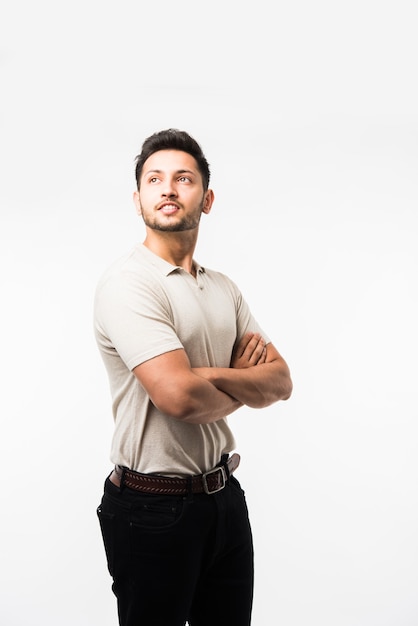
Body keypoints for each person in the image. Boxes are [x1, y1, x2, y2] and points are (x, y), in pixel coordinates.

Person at [94, 128, 292, 626]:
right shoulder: (129, 284)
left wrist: (204, 375)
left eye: (183, 179)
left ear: (206, 199)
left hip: (224, 497)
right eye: (154, 179)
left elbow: (282, 381)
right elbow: (178, 398)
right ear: (137, 197)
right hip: (150, 508)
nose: (167, 189)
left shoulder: (223, 287)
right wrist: (237, 378)